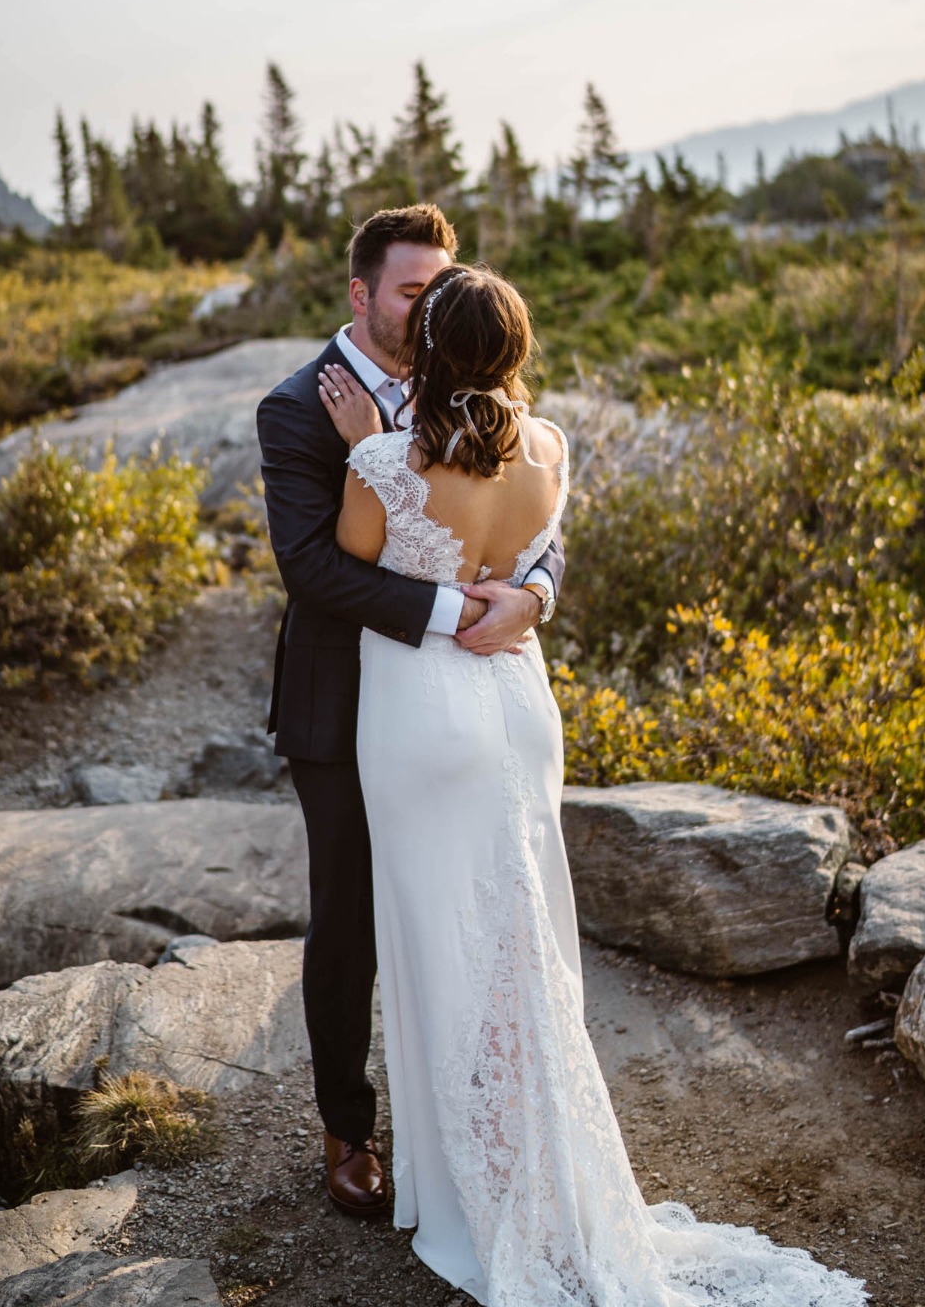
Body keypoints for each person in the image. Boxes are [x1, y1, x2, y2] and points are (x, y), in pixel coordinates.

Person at [322, 263, 866, 1306]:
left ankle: (466, 1190)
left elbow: (360, 562)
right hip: (520, 707)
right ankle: (538, 1161)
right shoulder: (553, 448)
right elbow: (535, 548)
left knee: (441, 941)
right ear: (517, 350)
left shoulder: (386, 457)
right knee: (522, 938)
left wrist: (367, 457)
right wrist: (522, 591)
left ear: (428, 351)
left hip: (424, 717)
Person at [256, 206, 564, 1217]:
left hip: (456, 706)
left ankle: (476, 1119)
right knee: (349, 922)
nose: (430, 303)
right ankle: (349, 1131)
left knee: (466, 904)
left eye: (442, 285)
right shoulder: (299, 408)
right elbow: (311, 568)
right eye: (409, 289)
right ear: (361, 296)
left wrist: (534, 597)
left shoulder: (471, 376)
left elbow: (532, 517)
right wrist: (463, 613)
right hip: (346, 705)